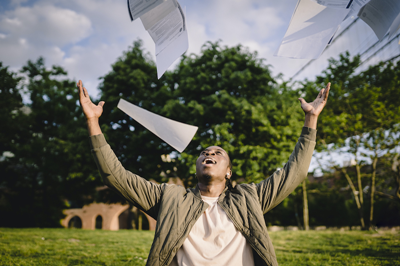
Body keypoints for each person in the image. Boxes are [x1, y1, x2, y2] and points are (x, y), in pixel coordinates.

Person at [77, 80, 330, 266]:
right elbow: (115, 175)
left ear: (229, 172)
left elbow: (293, 173)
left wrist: (311, 120)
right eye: (204, 153)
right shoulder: (170, 198)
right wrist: (93, 122)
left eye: (218, 153)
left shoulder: (249, 197)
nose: (209, 154)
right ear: (197, 166)